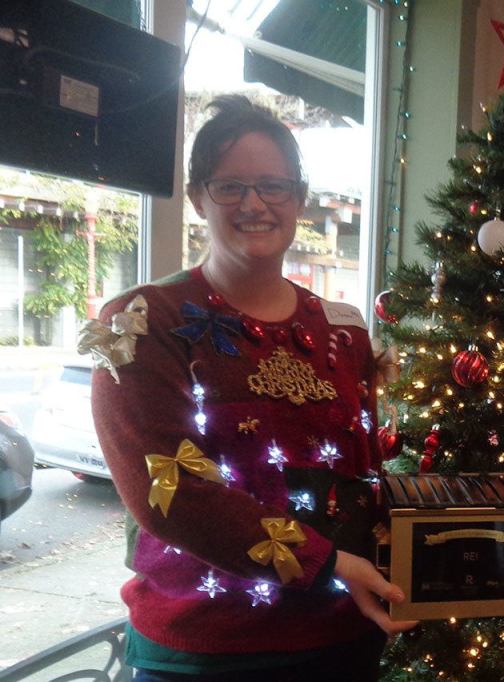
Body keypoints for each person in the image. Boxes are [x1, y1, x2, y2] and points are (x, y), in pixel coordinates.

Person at [85, 95, 415, 681]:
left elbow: (363, 473)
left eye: (273, 186)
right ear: (197, 199)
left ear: (300, 200)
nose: (254, 204)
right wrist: (328, 560)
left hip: (342, 637)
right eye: (230, 187)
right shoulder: (142, 322)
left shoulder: (342, 329)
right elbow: (172, 494)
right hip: (205, 652)